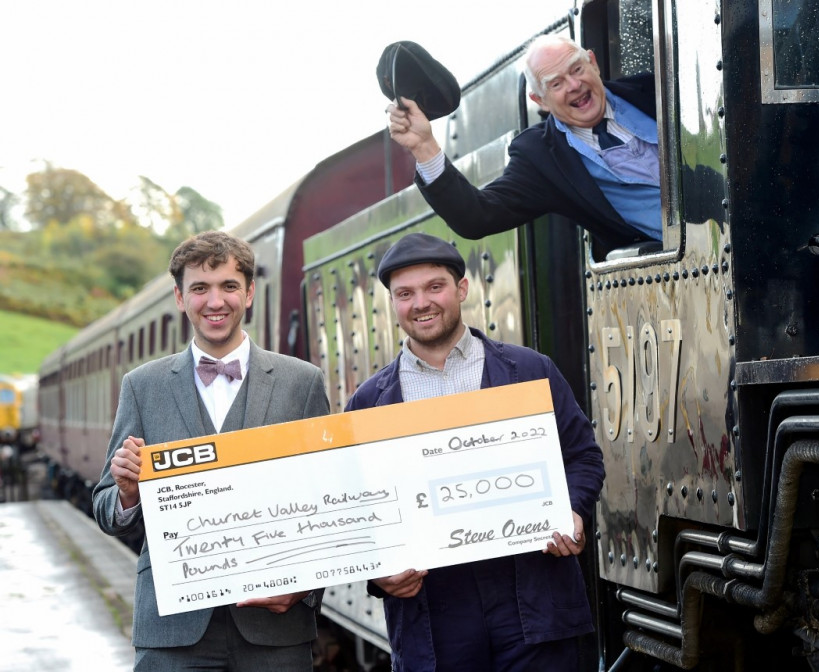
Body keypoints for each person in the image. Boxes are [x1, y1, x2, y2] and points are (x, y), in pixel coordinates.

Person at [345, 232, 606, 671]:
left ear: (461, 289)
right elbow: (354, 506)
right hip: (434, 608)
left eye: (434, 287)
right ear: (392, 303)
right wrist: (378, 572)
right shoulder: (371, 401)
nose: (421, 303)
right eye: (405, 294)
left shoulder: (528, 370)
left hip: (532, 594)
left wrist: (575, 510)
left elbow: (583, 457)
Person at [92, 231, 330, 671]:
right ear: (181, 298)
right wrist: (126, 493)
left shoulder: (303, 383)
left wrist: (305, 588)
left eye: (228, 286)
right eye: (200, 288)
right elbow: (106, 508)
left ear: (250, 292)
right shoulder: (142, 386)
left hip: (274, 628)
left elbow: (328, 500)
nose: (215, 301)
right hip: (172, 629)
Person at [386, 33, 660, 255]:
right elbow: (477, 216)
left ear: (593, 63)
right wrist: (424, 146)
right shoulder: (540, 158)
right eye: (556, 83)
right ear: (539, 100)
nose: (574, 85)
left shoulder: (657, 88)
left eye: (577, 69)